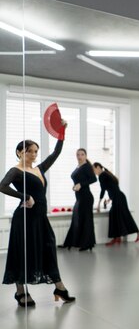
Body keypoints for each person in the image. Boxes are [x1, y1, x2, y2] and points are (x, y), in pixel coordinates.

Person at [0, 128, 76, 307]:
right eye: (30, 151)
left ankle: (59, 288)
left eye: (36, 151)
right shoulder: (16, 171)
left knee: (49, 248)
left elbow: (56, 153)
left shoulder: (39, 169)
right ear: (20, 152)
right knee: (23, 251)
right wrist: (25, 196)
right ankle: (20, 292)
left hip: (41, 217)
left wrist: (61, 133)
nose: (34, 154)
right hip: (24, 218)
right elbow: (2, 186)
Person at [93, 163, 139, 245]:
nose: (94, 172)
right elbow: (113, 188)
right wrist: (110, 198)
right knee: (114, 215)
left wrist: (99, 203)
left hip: (118, 198)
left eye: (94, 169)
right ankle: (117, 237)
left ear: (98, 167)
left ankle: (137, 233)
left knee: (124, 215)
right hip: (119, 197)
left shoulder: (102, 175)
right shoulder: (107, 174)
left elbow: (103, 190)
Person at [60, 148, 97, 251]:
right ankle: (69, 242)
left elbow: (94, 179)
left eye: (82, 154)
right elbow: (79, 180)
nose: (80, 156)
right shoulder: (78, 167)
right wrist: (75, 186)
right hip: (79, 197)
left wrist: (81, 184)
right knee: (76, 219)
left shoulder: (87, 166)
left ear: (85, 156)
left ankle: (87, 244)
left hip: (86, 198)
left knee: (86, 220)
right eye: (78, 155)